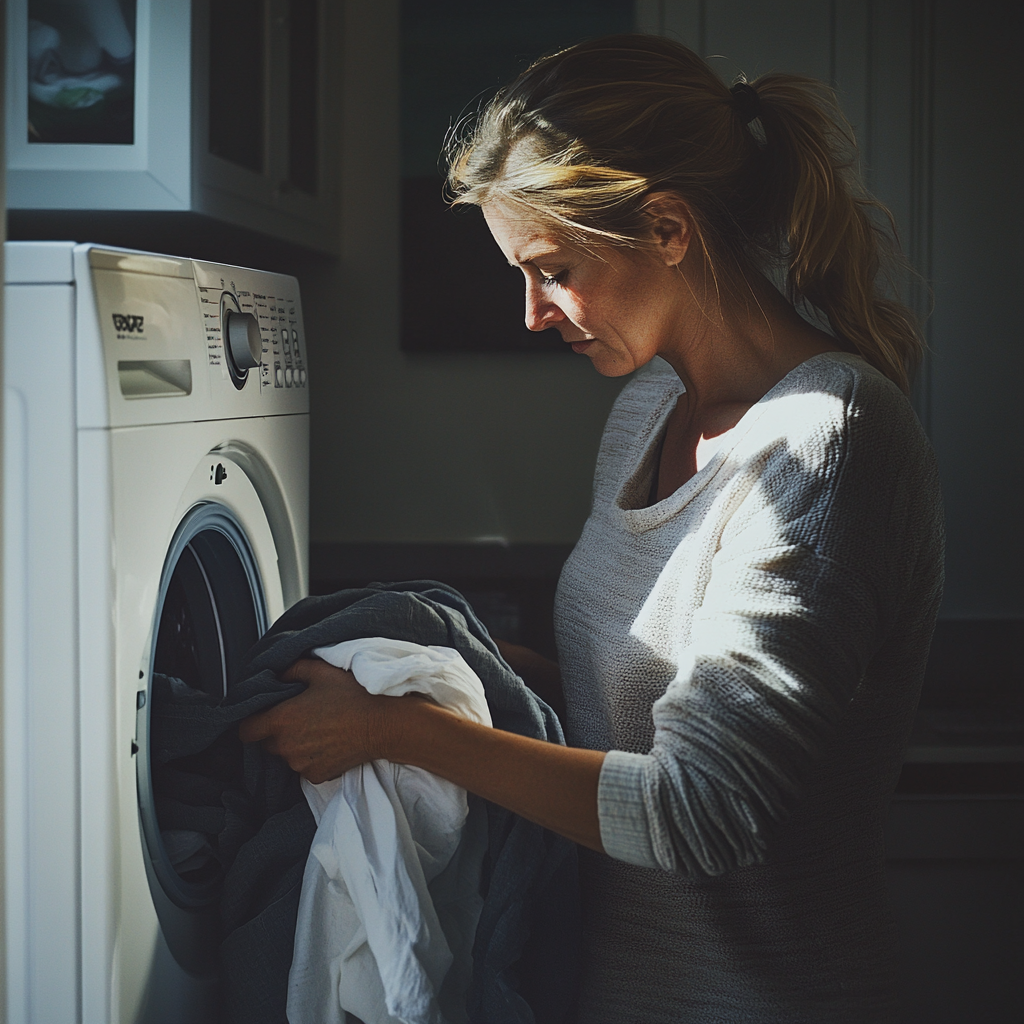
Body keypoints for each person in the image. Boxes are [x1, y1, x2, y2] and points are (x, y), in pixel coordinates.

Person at [240, 35, 944, 1023]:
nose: (532, 313)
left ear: (666, 227)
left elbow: (701, 812)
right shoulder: (642, 414)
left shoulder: (825, 445)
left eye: (553, 269)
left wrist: (400, 729)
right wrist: (465, 676)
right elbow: (631, 708)